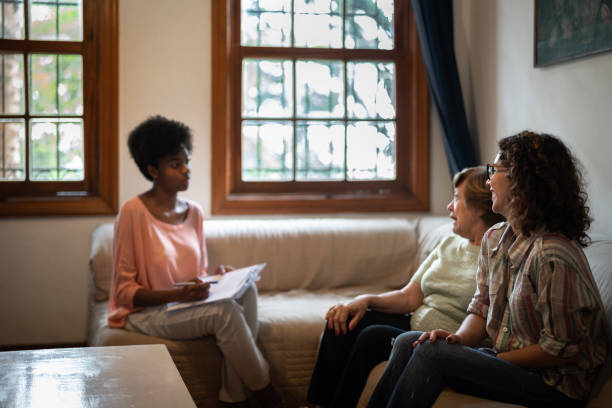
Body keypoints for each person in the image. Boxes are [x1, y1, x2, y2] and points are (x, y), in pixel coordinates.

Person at [367, 131, 609, 408]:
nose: (488, 180)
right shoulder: (495, 238)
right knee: (407, 342)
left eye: (494, 170)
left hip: (555, 385)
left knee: (433, 354)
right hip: (508, 364)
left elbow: (563, 348)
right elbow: (481, 308)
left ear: (523, 180)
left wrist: (492, 359)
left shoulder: (553, 254)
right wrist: (458, 339)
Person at [108, 116, 281, 408]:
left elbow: (195, 275)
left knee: (247, 289)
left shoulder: (195, 212)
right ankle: (268, 396)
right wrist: (179, 294)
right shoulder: (132, 212)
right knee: (224, 312)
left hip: (182, 304)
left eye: (186, 161)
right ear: (153, 170)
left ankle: (233, 397)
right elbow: (124, 291)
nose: (187, 170)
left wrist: (217, 278)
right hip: (147, 313)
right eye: (176, 164)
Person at [307, 166, 505, 407]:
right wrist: (364, 300)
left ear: (480, 207)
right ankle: (318, 404)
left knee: (371, 336)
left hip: (440, 340)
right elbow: (410, 296)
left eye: (456, 198)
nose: (449, 206)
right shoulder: (449, 243)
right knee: (342, 321)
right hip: (414, 322)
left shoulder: (497, 254)